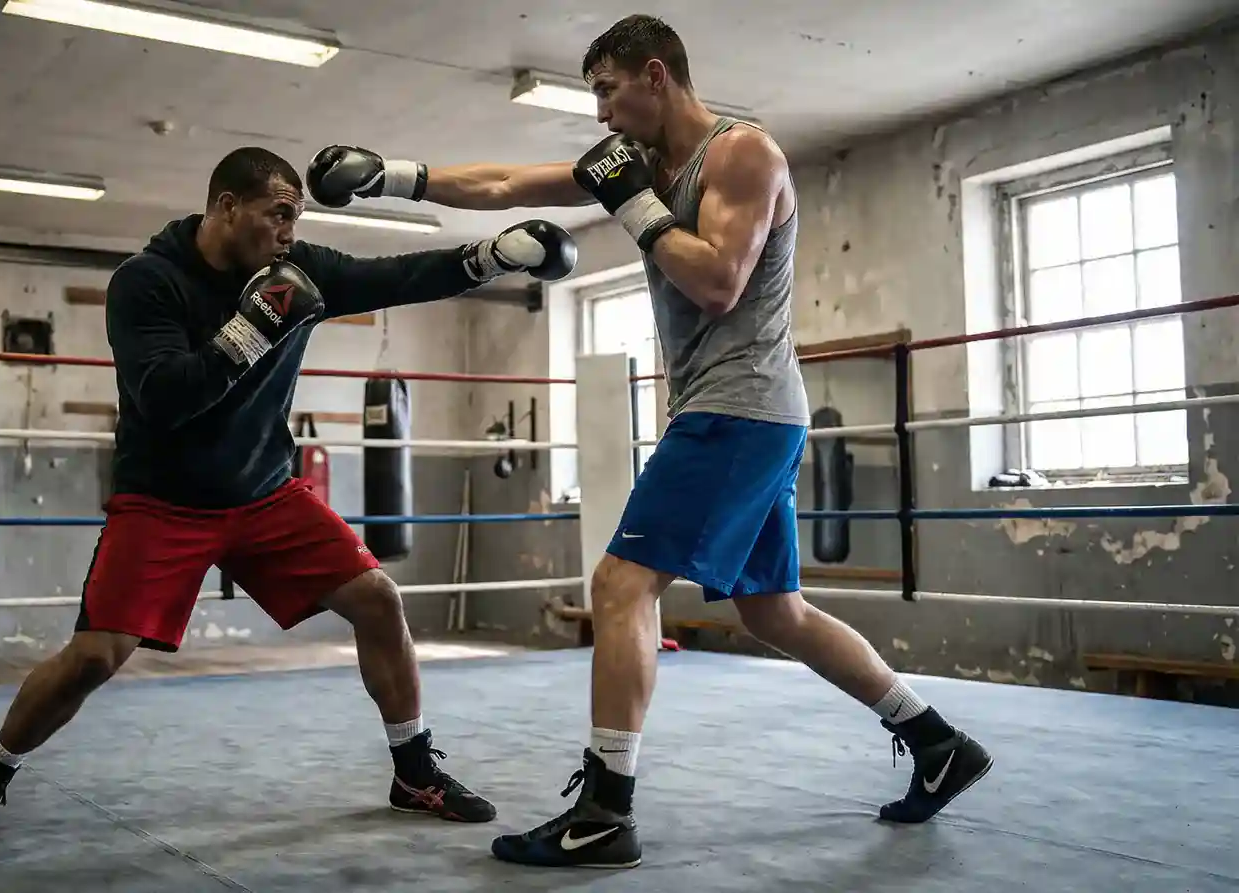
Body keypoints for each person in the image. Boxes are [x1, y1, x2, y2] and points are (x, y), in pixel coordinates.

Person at [306, 13, 993, 870]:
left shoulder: (745, 154)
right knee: (772, 608)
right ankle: (937, 741)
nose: (599, 113)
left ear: (656, 76)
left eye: (606, 89)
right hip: (743, 412)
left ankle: (605, 809)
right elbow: (509, 183)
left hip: (737, 408)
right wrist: (395, 176)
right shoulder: (650, 163)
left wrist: (629, 202)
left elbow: (717, 280)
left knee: (622, 584)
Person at [0, 146, 579, 846]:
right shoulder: (146, 282)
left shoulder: (299, 272)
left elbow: (397, 275)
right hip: (163, 501)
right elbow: (162, 396)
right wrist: (251, 331)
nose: (288, 230)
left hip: (267, 495)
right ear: (226, 206)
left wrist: (493, 256)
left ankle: (413, 771)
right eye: (277, 213)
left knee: (378, 600)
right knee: (94, 656)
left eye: (295, 216)